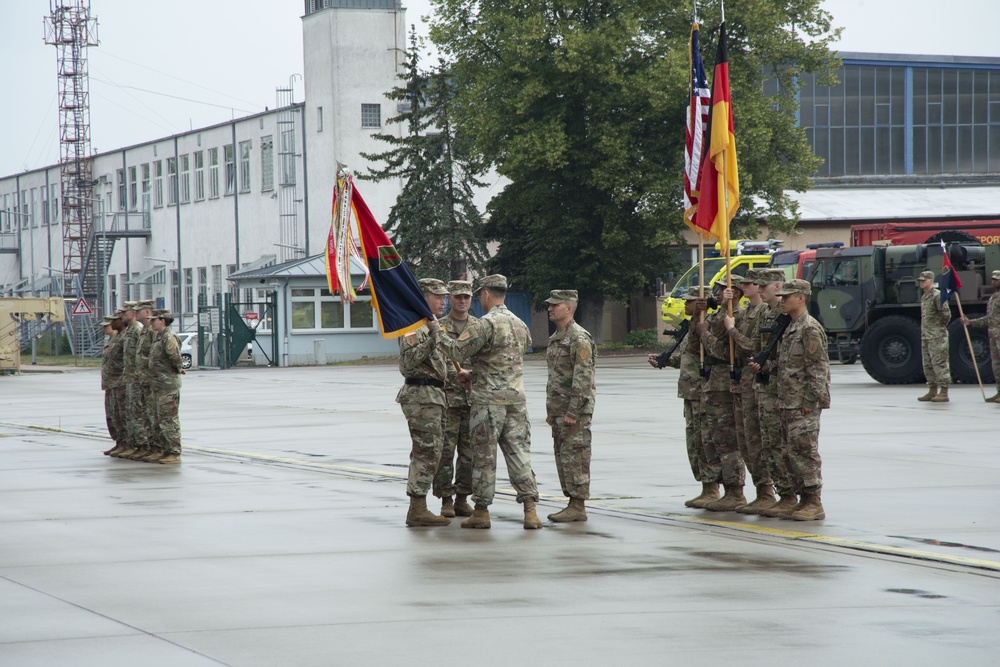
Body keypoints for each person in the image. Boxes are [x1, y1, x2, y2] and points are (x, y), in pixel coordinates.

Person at [455, 274, 542, 530]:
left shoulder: (485, 324)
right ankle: (530, 511)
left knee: (484, 457)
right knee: (519, 455)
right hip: (516, 400)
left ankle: (481, 512)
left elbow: (456, 351)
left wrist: (436, 330)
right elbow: (505, 361)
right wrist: (473, 374)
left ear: (485, 294)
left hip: (488, 402)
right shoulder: (520, 324)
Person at [649, 286, 721, 508]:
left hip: (704, 390)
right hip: (690, 391)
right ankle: (706, 487)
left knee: (705, 440)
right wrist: (665, 360)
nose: (685, 305)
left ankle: (713, 488)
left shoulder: (708, 325)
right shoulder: (693, 326)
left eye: (690, 302)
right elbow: (689, 356)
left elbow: (709, 354)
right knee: (694, 441)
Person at [397, 278, 457, 527]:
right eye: (438, 296)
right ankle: (417, 508)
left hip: (435, 395)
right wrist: (434, 335)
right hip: (421, 396)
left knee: (433, 451)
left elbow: (439, 364)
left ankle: (419, 506)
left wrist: (457, 375)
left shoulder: (432, 325)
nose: (444, 301)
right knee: (426, 452)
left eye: (444, 297)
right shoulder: (414, 326)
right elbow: (408, 362)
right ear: (423, 298)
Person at [772, 279, 830, 520]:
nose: (782, 300)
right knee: (790, 453)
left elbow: (818, 368)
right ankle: (801, 498)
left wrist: (811, 400)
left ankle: (814, 502)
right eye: (782, 296)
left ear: (802, 297)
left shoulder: (809, 328)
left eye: (787, 296)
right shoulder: (791, 327)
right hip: (789, 401)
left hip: (803, 403)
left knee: (805, 451)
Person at [722, 269, 775, 513]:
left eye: (750, 283)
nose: (745, 286)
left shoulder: (764, 312)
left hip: (754, 380)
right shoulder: (746, 312)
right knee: (745, 441)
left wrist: (733, 330)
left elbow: (753, 345)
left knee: (756, 439)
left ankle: (766, 491)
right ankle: (759, 490)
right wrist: (727, 305)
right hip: (742, 382)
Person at [748, 269, 798, 518]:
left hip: (778, 387)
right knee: (767, 444)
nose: (759, 288)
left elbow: (785, 355)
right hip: (764, 384)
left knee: (778, 444)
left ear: (777, 285)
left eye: (764, 285)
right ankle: (781, 494)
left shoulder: (784, 314)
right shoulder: (766, 312)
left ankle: (789, 495)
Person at [694, 280, 746, 512]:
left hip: (726, 383)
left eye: (721, 291)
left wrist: (705, 334)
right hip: (712, 384)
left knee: (727, 439)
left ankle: (735, 491)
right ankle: (721, 489)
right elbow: (695, 343)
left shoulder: (738, 317)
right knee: (713, 439)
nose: (717, 295)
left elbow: (725, 352)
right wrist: (699, 313)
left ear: (734, 293)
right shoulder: (717, 316)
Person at [544, 289, 596, 522]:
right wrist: (551, 410)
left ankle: (578, 505)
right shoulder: (557, 338)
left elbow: (583, 379)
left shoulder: (579, 338)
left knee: (576, 456)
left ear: (569, 308)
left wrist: (573, 412)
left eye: (555, 305)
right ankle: (571, 502)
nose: (550, 308)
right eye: (550, 305)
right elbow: (555, 377)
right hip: (560, 410)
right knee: (564, 457)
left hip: (574, 412)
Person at [433, 279, 478, 517]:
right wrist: (455, 376)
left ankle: (462, 498)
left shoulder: (479, 327)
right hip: (448, 401)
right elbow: (436, 362)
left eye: (466, 297)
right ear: (450, 298)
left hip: (472, 401)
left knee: (470, 454)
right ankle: (446, 500)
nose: (462, 301)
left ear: (471, 299)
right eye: (457, 297)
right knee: (445, 452)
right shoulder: (438, 327)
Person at [148, 309, 184, 464]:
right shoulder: (159, 337)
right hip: (158, 384)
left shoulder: (168, 337)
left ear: (162, 320)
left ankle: (174, 452)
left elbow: (175, 358)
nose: (151, 322)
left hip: (167, 385)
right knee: (158, 419)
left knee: (169, 420)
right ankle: (164, 450)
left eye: (153, 320)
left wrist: (175, 370)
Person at [962, 269, 1000, 402]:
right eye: (993, 278)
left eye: (996, 279)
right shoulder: (994, 297)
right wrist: (970, 322)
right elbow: (990, 318)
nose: (993, 281)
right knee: (996, 366)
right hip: (994, 336)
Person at [112, 301, 144, 460]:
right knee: (128, 413)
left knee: (136, 414)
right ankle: (129, 444)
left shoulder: (137, 330)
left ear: (132, 313)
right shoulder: (129, 331)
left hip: (136, 378)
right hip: (128, 378)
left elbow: (142, 353)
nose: (121, 316)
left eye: (124, 313)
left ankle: (140, 445)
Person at [917, 270, 952, 402]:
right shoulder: (924, 297)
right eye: (920, 281)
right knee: (928, 365)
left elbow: (946, 314)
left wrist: (939, 328)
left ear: (930, 281)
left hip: (937, 336)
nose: (921, 283)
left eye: (924, 280)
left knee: (940, 363)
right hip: (926, 336)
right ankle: (932, 390)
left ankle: (944, 392)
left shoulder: (937, 295)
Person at [99, 315, 121, 455]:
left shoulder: (118, 339)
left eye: (106, 326)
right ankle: (119, 442)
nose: (104, 328)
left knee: (121, 415)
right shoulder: (111, 340)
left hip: (118, 382)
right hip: (110, 383)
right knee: (112, 416)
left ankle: (125, 443)